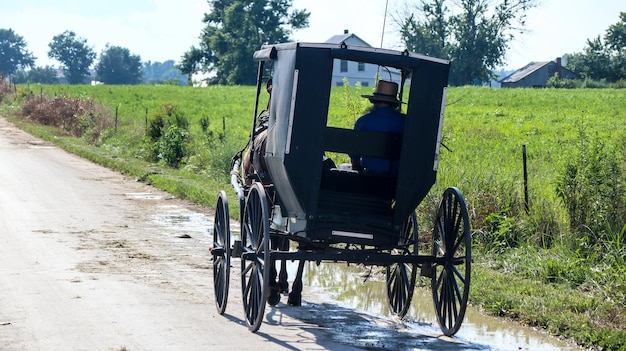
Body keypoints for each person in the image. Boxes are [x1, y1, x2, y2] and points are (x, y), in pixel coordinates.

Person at [350, 80, 405, 175]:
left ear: (375, 101)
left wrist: (357, 165)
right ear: (394, 103)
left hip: (369, 176)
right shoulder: (405, 121)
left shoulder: (363, 121)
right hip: (396, 178)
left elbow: (354, 152)